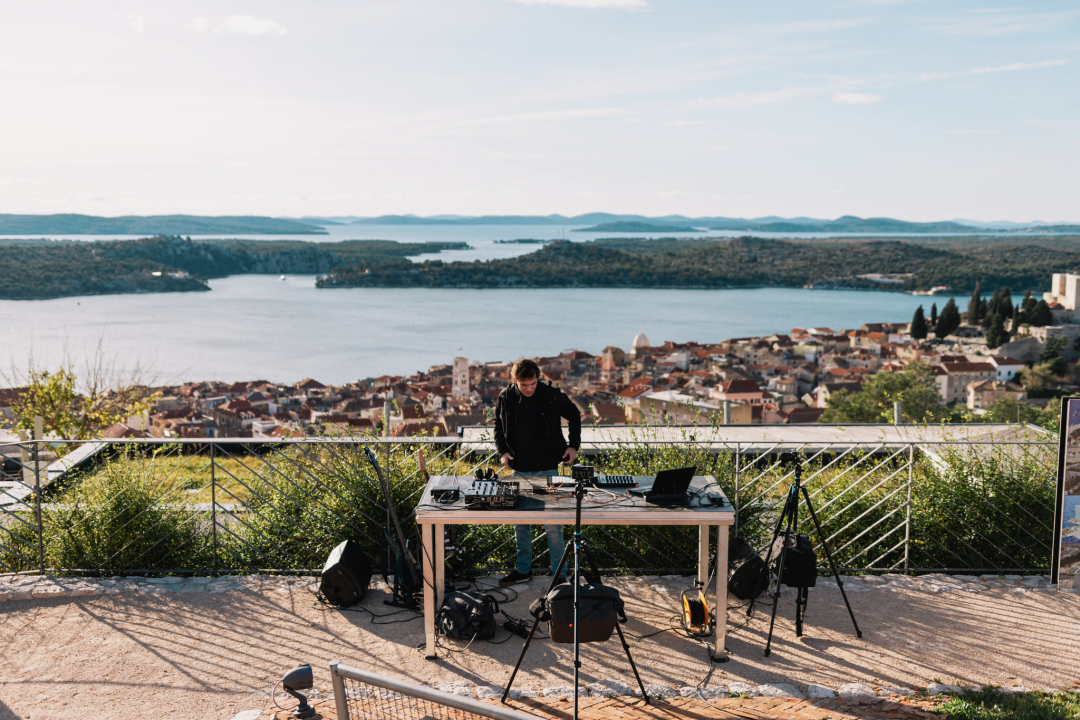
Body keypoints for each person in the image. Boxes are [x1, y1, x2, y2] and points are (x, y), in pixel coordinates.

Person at [493, 358, 581, 587]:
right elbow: (497, 426)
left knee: (553, 525)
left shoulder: (551, 394)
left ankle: (559, 575)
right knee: (520, 523)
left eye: (533, 383)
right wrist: (503, 452)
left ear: (538, 378)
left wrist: (573, 446)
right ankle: (523, 571)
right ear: (515, 381)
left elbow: (574, 415)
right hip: (519, 468)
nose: (529, 388)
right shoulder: (505, 396)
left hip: (548, 465)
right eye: (524, 385)